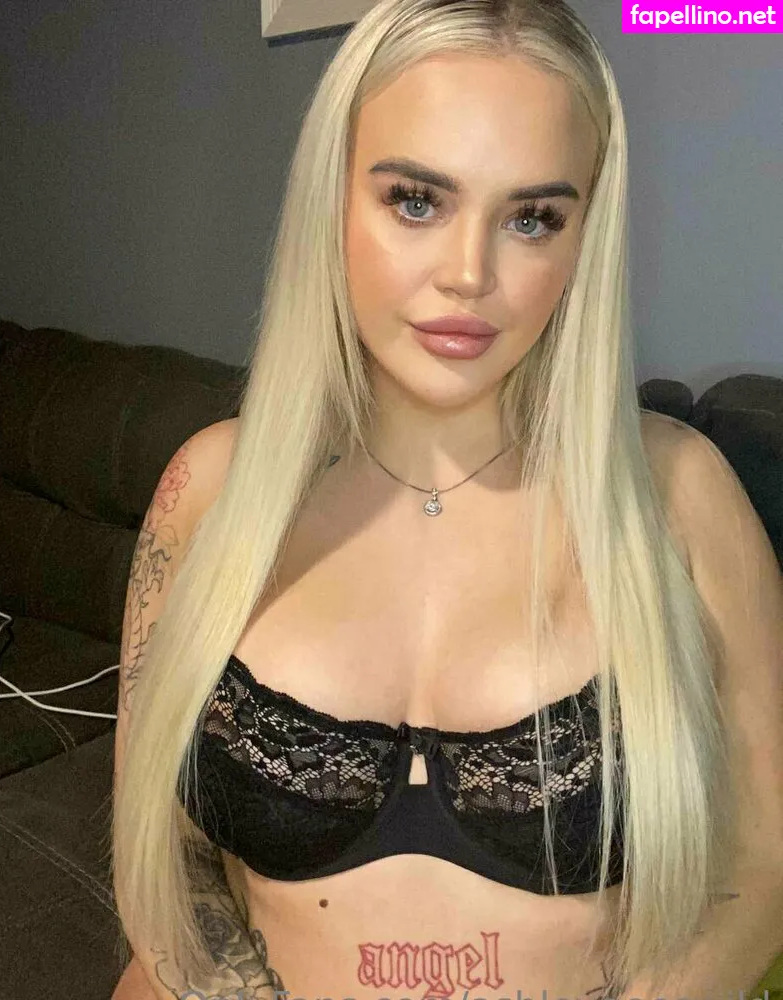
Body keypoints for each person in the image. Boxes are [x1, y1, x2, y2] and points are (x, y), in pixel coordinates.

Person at [110, 1, 783, 998]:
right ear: (333, 200)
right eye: (416, 201)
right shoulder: (207, 489)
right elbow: (159, 861)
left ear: (582, 240)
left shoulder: (679, 496)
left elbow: (760, 867)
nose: (469, 275)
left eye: (530, 218)